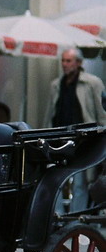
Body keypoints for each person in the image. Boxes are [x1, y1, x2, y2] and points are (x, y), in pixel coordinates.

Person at [43, 48, 106, 211]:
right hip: (59, 139)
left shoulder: (92, 82)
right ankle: (57, 216)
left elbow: (100, 113)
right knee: (54, 180)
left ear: (78, 63)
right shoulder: (56, 84)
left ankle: (76, 216)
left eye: (68, 61)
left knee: (80, 182)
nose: (64, 64)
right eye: (63, 60)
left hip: (83, 140)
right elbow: (50, 113)